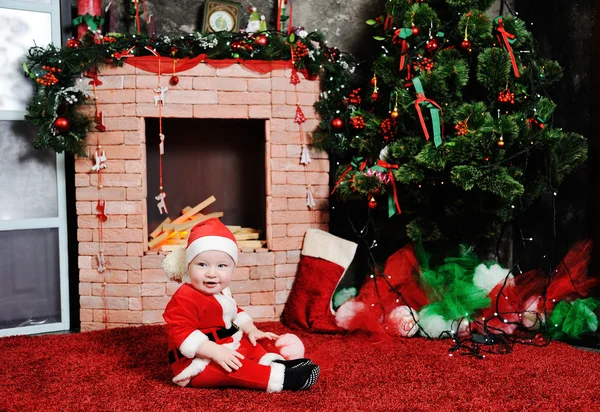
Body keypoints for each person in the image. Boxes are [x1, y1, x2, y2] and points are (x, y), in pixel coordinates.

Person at [162, 218, 320, 392]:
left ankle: (273, 362)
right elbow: (180, 331)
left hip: (226, 344)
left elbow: (235, 312)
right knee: (233, 369)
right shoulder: (185, 297)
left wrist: (251, 329)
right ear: (188, 266)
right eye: (202, 265)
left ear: (232, 269)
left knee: (250, 343)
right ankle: (281, 378)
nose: (212, 274)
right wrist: (215, 352)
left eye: (221, 265)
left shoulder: (222, 292)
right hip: (199, 361)